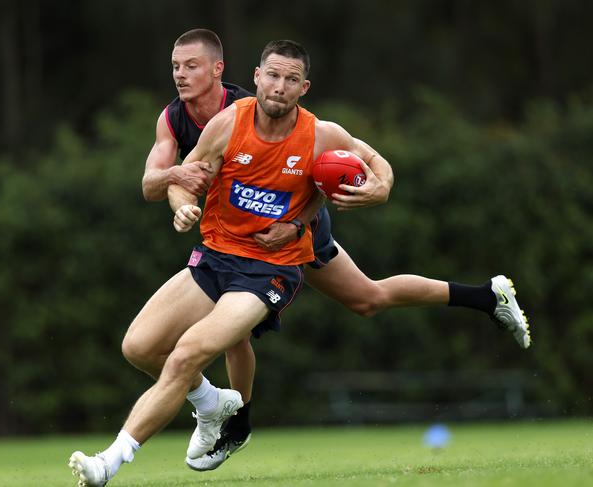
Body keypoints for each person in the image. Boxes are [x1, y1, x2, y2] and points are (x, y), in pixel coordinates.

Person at [127, 29, 531, 472]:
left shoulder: (253, 104)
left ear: (220, 70)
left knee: (355, 302)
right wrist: (180, 202)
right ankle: (485, 296)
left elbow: (319, 160)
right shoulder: (172, 118)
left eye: (192, 66)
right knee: (365, 299)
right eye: (176, 67)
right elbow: (164, 178)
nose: (181, 75)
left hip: (291, 232)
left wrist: (308, 218)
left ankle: (235, 421)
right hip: (245, 241)